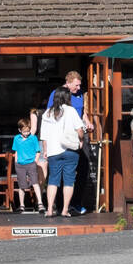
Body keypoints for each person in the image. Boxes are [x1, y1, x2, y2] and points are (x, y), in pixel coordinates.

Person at [46, 72, 94, 214]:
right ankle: (60, 205)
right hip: (63, 137)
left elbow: (82, 112)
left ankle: (76, 203)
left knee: (83, 169)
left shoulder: (79, 95)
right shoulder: (58, 94)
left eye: (79, 85)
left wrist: (87, 121)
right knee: (60, 171)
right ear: (68, 82)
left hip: (79, 135)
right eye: (76, 85)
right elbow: (50, 113)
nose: (79, 88)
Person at [39, 88, 86, 217]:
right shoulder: (70, 111)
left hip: (53, 151)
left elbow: (44, 136)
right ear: (67, 97)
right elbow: (79, 129)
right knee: (69, 181)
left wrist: (45, 151)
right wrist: (81, 140)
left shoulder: (47, 113)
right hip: (70, 150)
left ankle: (49, 210)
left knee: (53, 180)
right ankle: (65, 210)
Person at [12, 118, 45, 213]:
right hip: (20, 165)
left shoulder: (33, 138)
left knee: (35, 183)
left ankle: (40, 204)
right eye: (24, 131)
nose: (26, 133)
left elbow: (38, 151)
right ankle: (22, 205)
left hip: (31, 164)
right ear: (19, 130)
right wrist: (16, 162)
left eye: (28, 131)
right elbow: (16, 151)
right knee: (21, 185)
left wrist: (35, 161)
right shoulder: (16, 139)